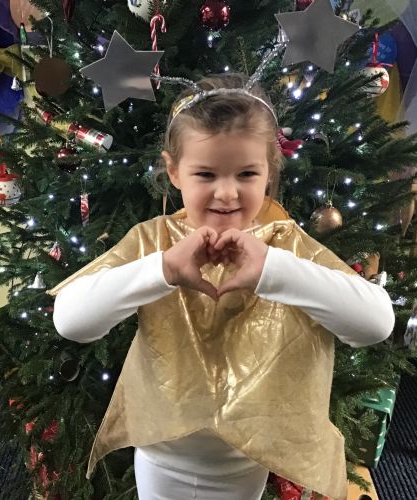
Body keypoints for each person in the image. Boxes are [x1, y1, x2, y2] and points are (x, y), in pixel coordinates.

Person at [49, 73, 395, 500]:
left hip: (245, 462)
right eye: (206, 174)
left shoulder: (285, 244)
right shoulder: (154, 241)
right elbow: (71, 320)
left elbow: (375, 323)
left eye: (247, 173)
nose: (227, 193)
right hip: (162, 457)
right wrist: (163, 269)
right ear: (174, 171)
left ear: (269, 171)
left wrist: (275, 270)